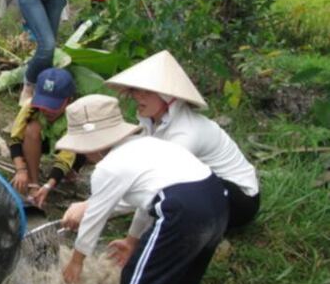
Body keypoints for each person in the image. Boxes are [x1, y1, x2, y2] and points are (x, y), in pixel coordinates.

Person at [58, 95, 228, 284]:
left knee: (136, 283)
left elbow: (95, 218)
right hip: (217, 202)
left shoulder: (108, 167)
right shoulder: (147, 144)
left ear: (91, 144)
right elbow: (149, 200)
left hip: (183, 210)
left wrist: (76, 261)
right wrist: (132, 240)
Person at [106, 49, 260, 230]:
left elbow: (154, 185)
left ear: (167, 97)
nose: (137, 96)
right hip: (208, 190)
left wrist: (96, 209)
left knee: (171, 192)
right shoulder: (153, 125)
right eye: (136, 90)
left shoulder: (186, 133)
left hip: (239, 201)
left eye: (146, 91)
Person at [10, 67, 81, 209]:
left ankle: (73, 170)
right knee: (31, 129)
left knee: (88, 152)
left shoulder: (76, 115)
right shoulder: (31, 106)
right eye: (44, 104)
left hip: (75, 149)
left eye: (52, 106)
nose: (46, 110)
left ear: (68, 100)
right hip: (46, 141)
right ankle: (34, 183)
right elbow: (15, 139)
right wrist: (21, 170)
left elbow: (66, 156)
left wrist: (49, 185)